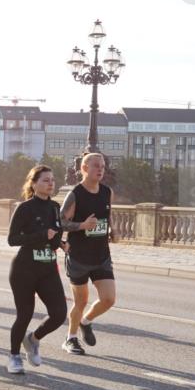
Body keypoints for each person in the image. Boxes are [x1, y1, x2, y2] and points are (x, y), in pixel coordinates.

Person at [6, 165, 67, 373]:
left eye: (52, 180)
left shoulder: (55, 207)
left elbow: (54, 234)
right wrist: (42, 236)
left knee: (59, 314)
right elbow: (12, 239)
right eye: (45, 180)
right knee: (25, 314)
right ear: (33, 183)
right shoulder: (25, 208)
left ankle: (33, 339)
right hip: (24, 269)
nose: (50, 183)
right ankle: (14, 356)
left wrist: (61, 243)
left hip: (48, 268)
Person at [60, 152, 116, 355]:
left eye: (102, 166)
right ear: (84, 168)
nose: (100, 169)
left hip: (101, 255)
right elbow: (61, 222)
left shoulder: (107, 192)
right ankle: (70, 338)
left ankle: (86, 321)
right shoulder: (76, 193)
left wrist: (113, 229)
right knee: (81, 301)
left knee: (109, 299)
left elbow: (108, 214)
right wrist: (83, 225)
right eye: (95, 166)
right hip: (79, 257)